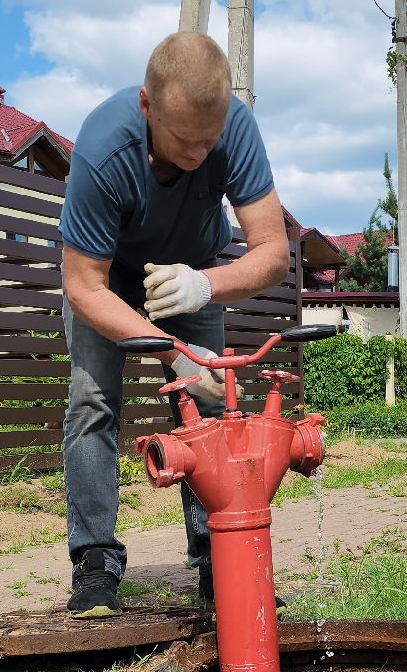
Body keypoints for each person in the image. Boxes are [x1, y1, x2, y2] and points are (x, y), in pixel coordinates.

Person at [57, 32, 290, 618]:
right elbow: (83, 285)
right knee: (93, 403)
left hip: (189, 272)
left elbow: (273, 253)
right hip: (106, 282)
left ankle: (219, 561)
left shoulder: (233, 128)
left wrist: (205, 284)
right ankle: (95, 567)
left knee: (210, 409)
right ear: (147, 106)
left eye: (209, 141)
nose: (198, 155)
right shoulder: (103, 149)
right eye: (185, 140)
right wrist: (174, 351)